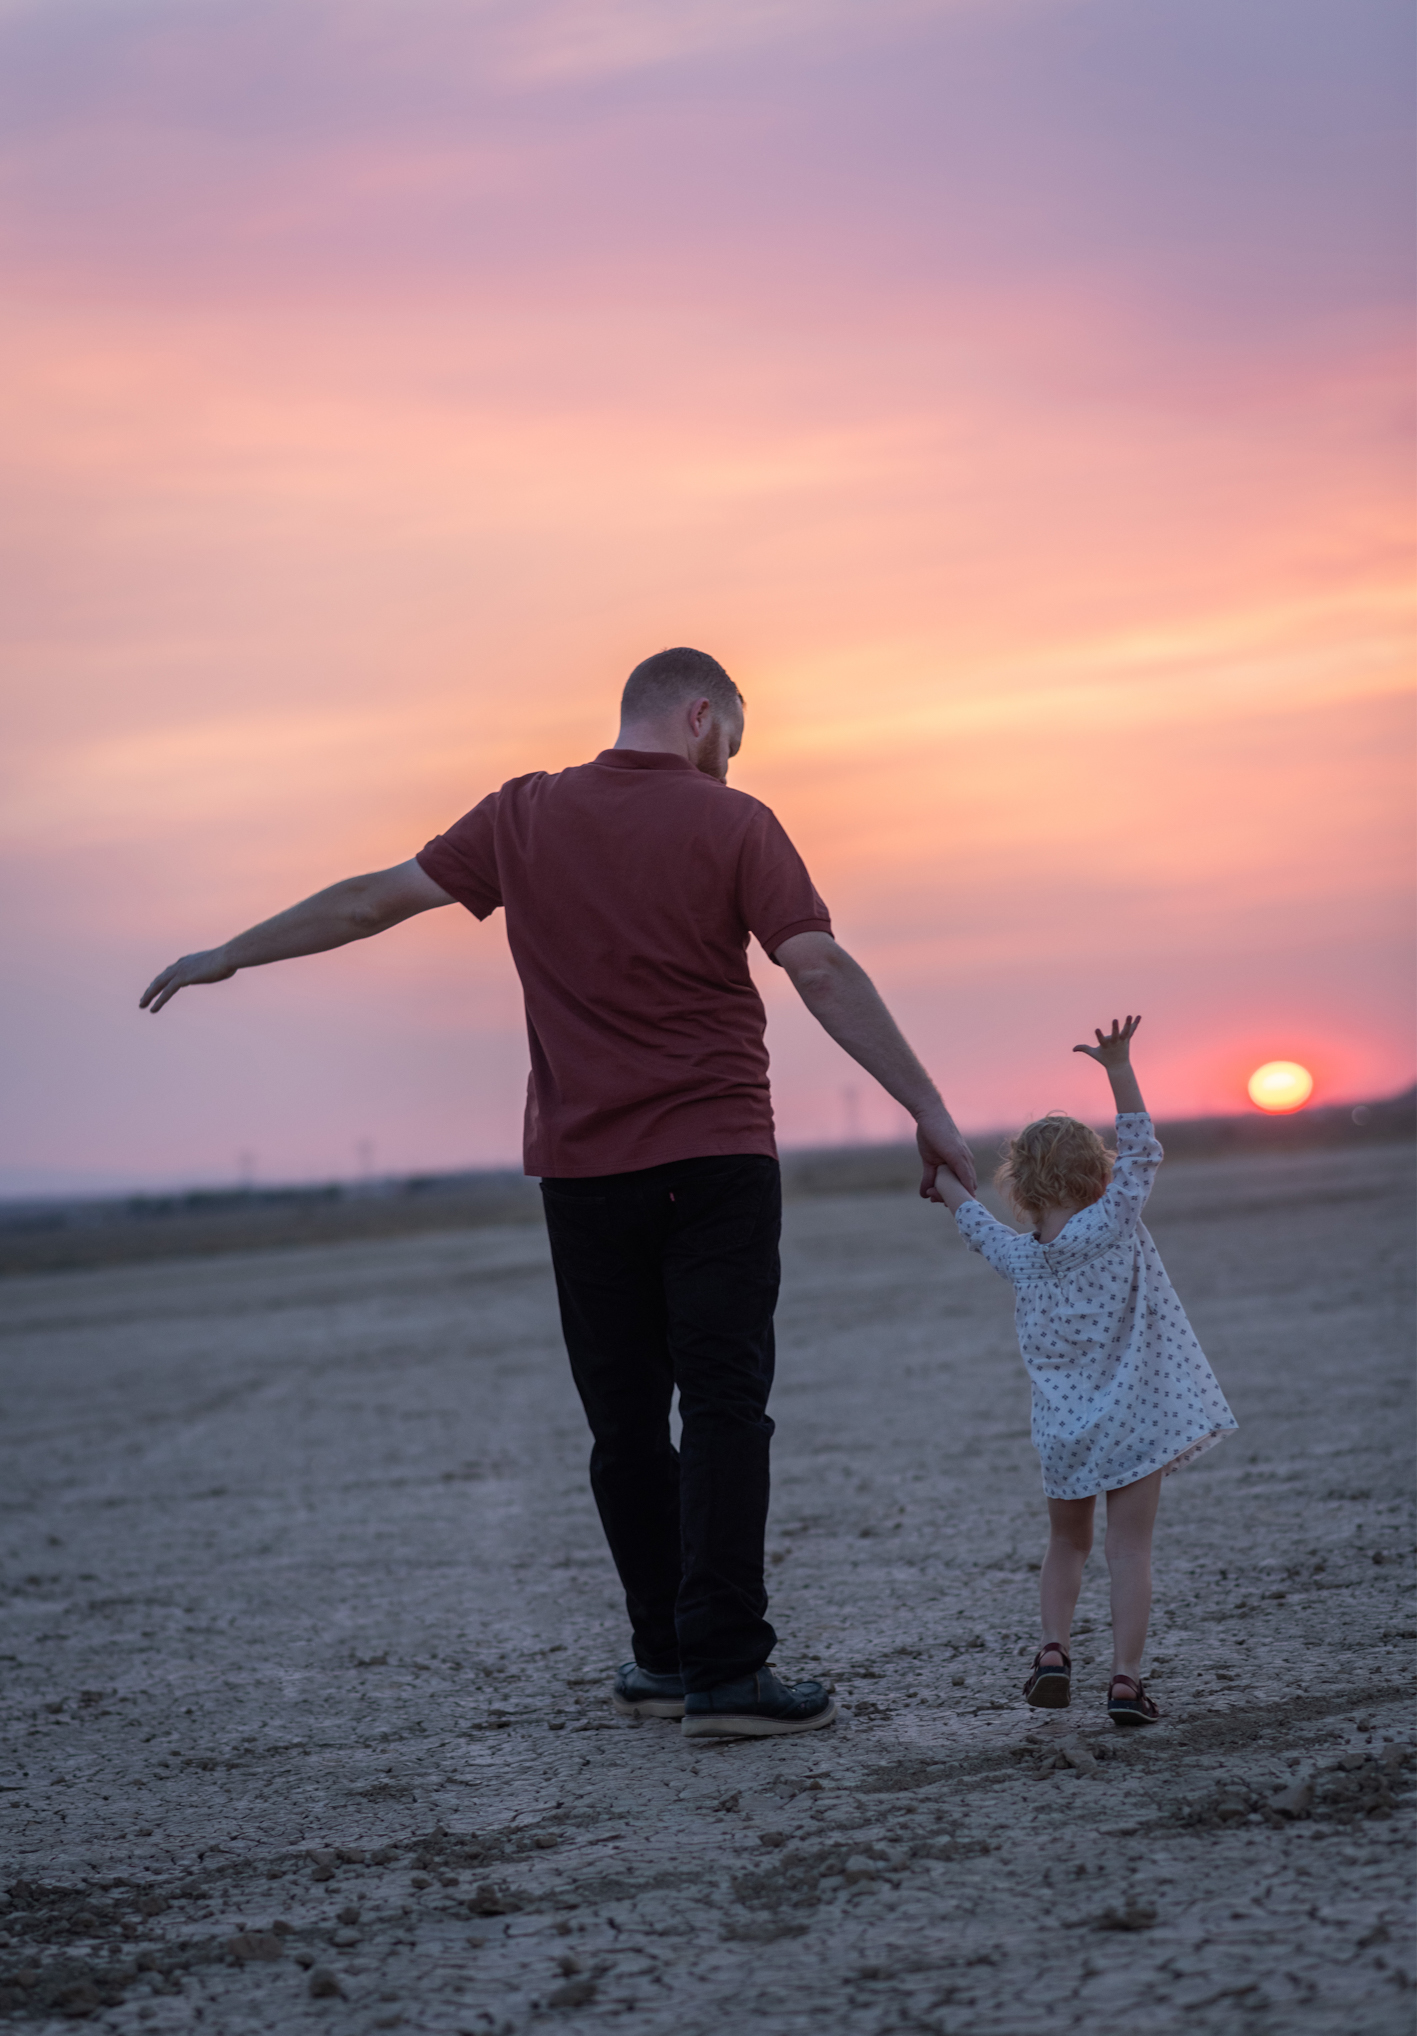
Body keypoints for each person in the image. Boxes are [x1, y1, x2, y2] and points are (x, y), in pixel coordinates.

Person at [141, 647, 977, 1739]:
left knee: (625, 1421)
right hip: (717, 1158)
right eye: (732, 733)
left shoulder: (521, 814)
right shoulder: (736, 822)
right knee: (723, 1404)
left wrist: (231, 954)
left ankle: (666, 1658)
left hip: (583, 1173)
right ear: (699, 713)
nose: (730, 759)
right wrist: (927, 1103)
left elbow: (366, 903)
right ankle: (727, 1672)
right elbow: (816, 967)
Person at [929, 1017, 1237, 1725]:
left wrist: (940, 1171)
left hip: (1061, 1433)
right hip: (1135, 1422)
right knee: (1130, 1552)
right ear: (1093, 1172)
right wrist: (1117, 1066)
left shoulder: (1021, 1258)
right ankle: (1125, 1682)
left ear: (1024, 1184)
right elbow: (1140, 1146)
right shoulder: (1116, 1219)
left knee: (1066, 1542)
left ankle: (1051, 1652)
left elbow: (968, 1217)